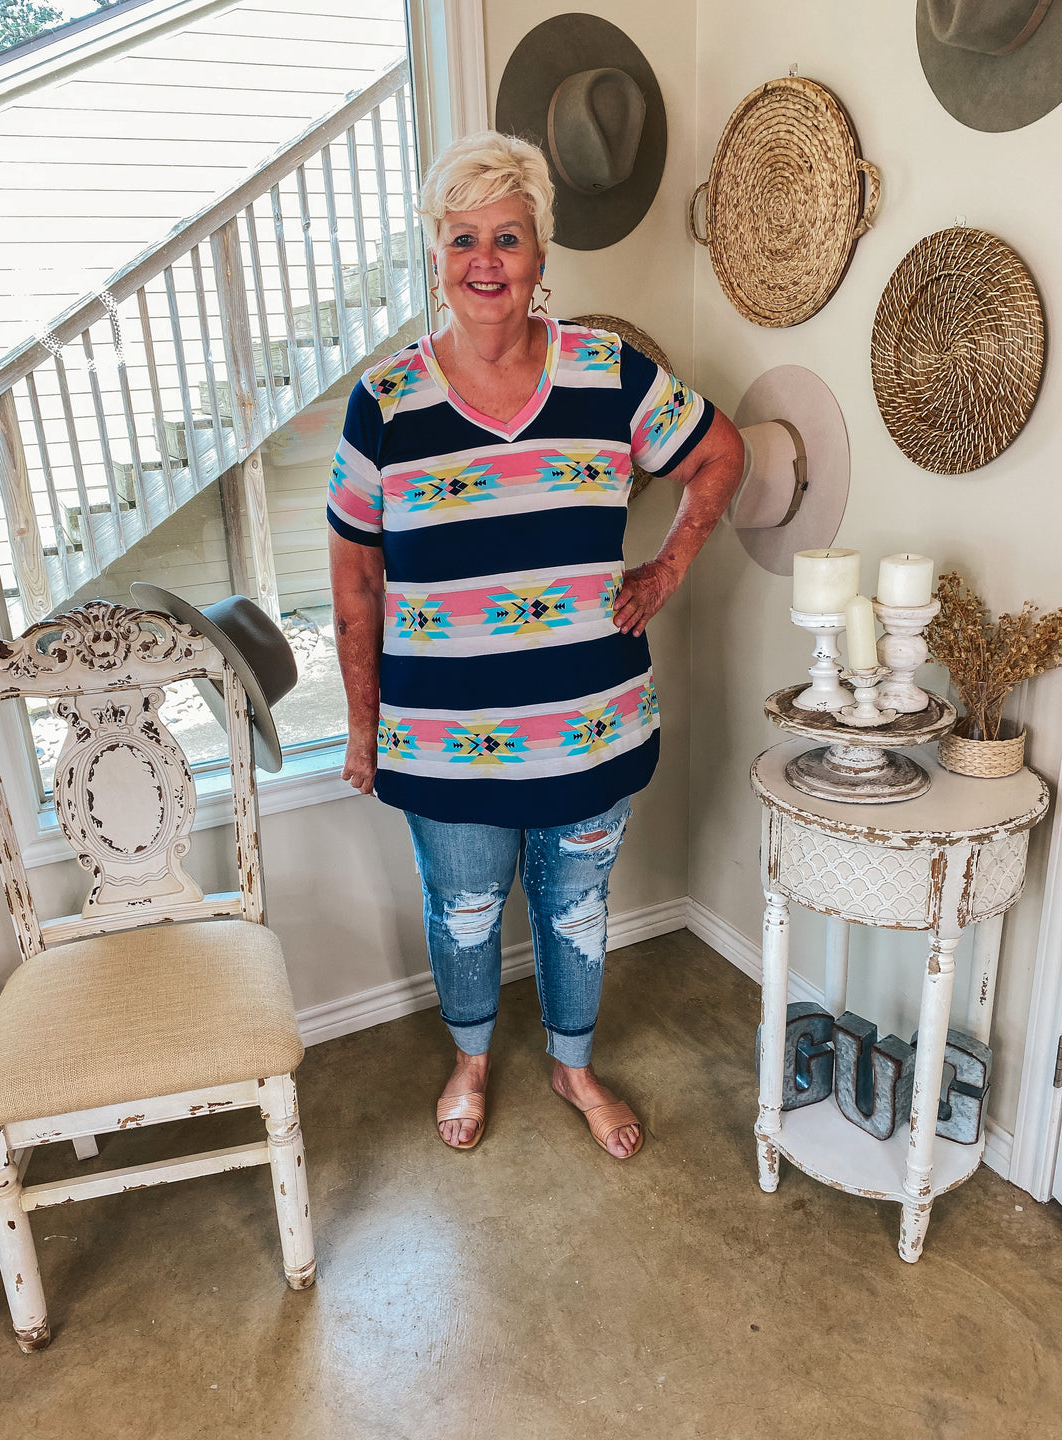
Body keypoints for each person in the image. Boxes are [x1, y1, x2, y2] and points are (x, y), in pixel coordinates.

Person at [328, 131, 743, 1158]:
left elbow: (720, 453)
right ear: (436, 254)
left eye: (505, 238)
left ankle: (571, 1066)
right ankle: (470, 1060)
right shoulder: (384, 405)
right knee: (465, 908)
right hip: (441, 738)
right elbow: (354, 579)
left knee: (575, 909)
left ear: (539, 256)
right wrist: (362, 726)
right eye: (462, 237)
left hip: (589, 726)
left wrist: (666, 570)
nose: (484, 261)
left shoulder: (610, 375)